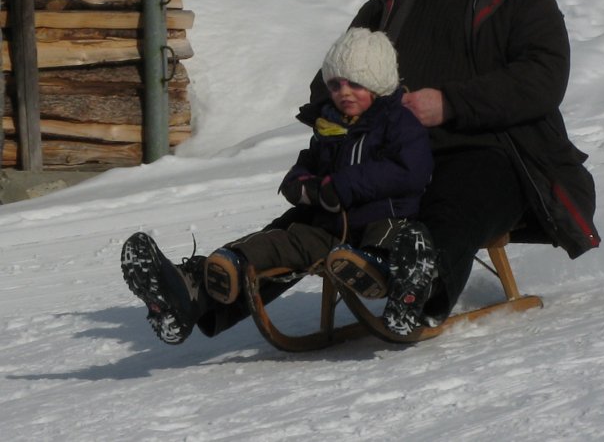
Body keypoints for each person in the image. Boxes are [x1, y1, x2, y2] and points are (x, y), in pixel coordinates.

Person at [313, 0, 600, 335]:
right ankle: (214, 288)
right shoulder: (388, 4)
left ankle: (420, 295)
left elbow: (543, 78)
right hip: (394, 154)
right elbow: (332, 74)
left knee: (455, 205)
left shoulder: (523, 0)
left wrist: (449, 103)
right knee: (312, 205)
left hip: (496, 155)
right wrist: (344, 111)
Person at [121, 28, 433, 345]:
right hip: (330, 229)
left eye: (356, 83)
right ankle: (230, 265)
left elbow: (411, 171)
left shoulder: (398, 122)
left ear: (378, 85)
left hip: (384, 217)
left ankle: (380, 273)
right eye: (335, 84)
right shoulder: (329, 126)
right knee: (285, 240)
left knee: (389, 237)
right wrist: (299, 183)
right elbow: (307, 163)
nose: (344, 92)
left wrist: (342, 185)